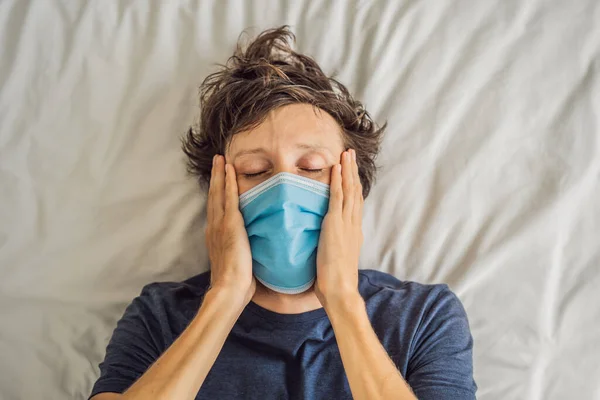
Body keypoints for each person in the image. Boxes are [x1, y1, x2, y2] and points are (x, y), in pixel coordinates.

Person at [90, 26, 476, 400]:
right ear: (220, 195)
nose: (285, 193)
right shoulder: (161, 316)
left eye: (311, 167)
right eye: (254, 172)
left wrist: (342, 300)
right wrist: (224, 299)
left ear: (353, 188)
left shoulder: (423, 318)